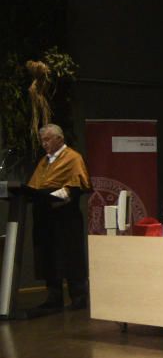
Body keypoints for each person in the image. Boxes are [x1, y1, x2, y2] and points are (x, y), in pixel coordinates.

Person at [28, 124, 92, 311]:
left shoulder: (73, 158)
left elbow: (77, 186)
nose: (44, 143)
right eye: (42, 140)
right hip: (45, 218)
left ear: (60, 139)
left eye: (48, 139)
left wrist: (53, 197)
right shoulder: (44, 162)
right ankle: (54, 297)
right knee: (49, 256)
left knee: (70, 255)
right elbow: (35, 185)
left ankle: (78, 297)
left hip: (65, 217)